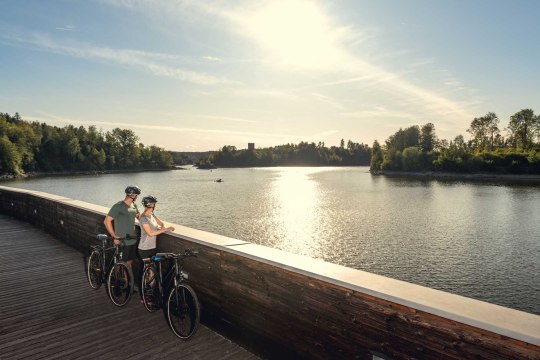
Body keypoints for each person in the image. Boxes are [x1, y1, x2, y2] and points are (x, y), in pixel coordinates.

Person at [104, 185, 141, 271]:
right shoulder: (118, 206)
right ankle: (117, 281)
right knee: (120, 264)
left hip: (132, 239)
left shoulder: (134, 205)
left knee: (129, 263)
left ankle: (127, 282)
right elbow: (107, 221)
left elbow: (139, 217)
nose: (137, 197)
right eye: (136, 195)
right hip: (122, 241)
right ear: (133, 196)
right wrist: (114, 236)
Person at [138, 195, 175, 260]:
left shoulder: (152, 214)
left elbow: (161, 223)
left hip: (152, 246)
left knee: (153, 267)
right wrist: (166, 229)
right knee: (149, 268)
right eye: (154, 204)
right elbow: (150, 233)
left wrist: (163, 227)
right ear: (152, 205)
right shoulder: (143, 218)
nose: (155, 206)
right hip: (145, 248)